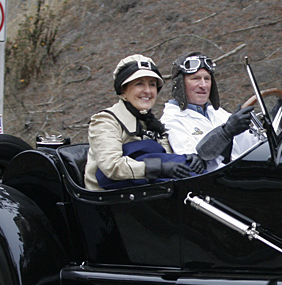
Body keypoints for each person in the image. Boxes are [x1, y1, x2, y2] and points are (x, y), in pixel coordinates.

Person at [84, 54, 205, 190]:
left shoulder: (153, 124)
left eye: (152, 84)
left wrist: (189, 159)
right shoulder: (105, 121)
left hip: (148, 194)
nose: (147, 91)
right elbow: (111, 166)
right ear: (123, 90)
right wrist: (159, 168)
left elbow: (169, 159)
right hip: (112, 200)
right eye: (139, 83)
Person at [161, 52, 257, 173]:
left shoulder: (217, 113)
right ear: (180, 85)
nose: (203, 85)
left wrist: (275, 120)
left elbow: (253, 145)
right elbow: (192, 163)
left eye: (207, 79)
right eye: (195, 78)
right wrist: (226, 133)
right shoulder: (171, 120)